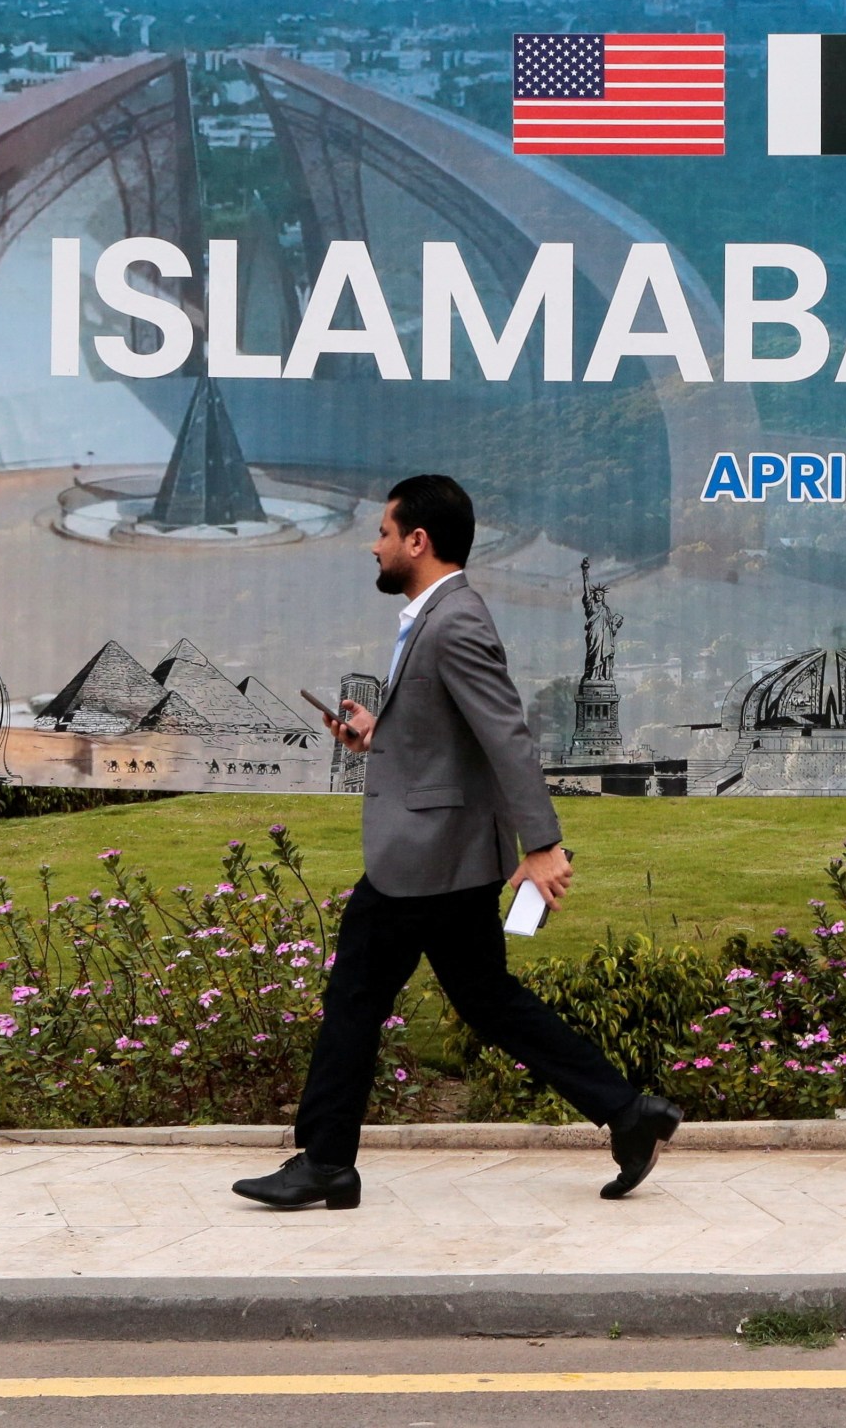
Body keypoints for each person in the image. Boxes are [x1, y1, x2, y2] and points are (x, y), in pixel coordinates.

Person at [233, 474, 681, 1211]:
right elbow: (452, 732)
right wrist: (377, 732)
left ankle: (326, 1162)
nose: (373, 546)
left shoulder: (454, 621)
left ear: (418, 540)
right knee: (486, 1000)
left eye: (383, 533)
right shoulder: (437, 617)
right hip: (446, 854)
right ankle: (629, 1113)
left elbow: (507, 735)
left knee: (355, 998)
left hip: (424, 857)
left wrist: (543, 844)